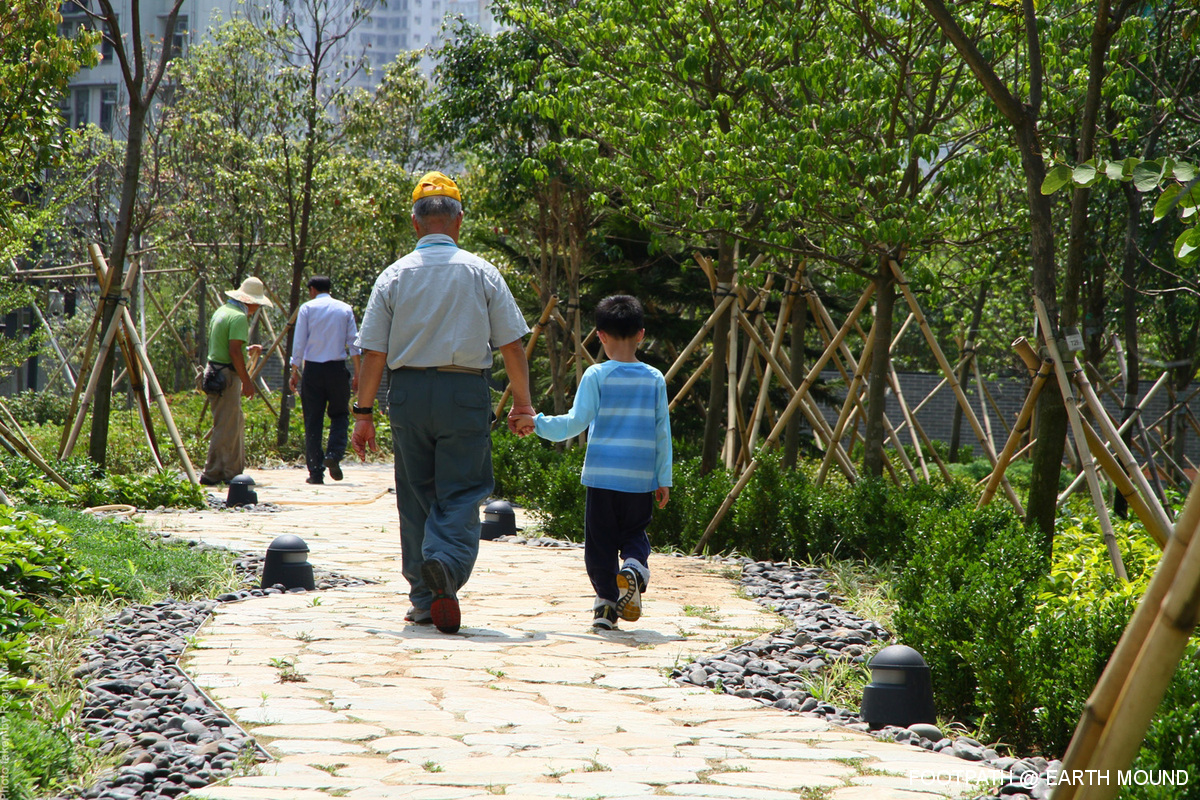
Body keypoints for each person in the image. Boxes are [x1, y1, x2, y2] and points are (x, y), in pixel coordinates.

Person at [351, 171, 534, 634]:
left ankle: (421, 600)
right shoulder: (482, 271)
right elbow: (512, 345)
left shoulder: (392, 276)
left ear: (415, 224)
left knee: (415, 497)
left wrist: (363, 413)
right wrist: (522, 406)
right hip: (464, 392)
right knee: (463, 491)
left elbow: (374, 352)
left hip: (408, 394)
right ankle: (446, 567)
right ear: (459, 221)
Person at [512, 295, 672, 630]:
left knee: (599, 545)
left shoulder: (597, 375)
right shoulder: (655, 378)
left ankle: (605, 608)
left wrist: (536, 422)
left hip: (601, 478)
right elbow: (662, 433)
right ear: (641, 334)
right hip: (639, 479)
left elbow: (575, 423)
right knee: (634, 533)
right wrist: (663, 477)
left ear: (600, 335)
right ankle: (633, 567)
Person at [200, 276, 273, 486]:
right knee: (226, 426)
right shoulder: (239, 318)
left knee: (232, 422)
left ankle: (231, 470)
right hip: (226, 376)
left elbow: (227, 347)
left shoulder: (222, 312)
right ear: (249, 301)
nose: (256, 308)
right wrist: (247, 382)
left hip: (214, 371)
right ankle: (215, 473)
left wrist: (248, 350)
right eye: (256, 304)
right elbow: (233, 352)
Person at [289, 276, 362, 485]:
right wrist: (358, 373)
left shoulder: (307, 309)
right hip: (337, 370)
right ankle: (334, 454)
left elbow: (299, 342)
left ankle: (315, 473)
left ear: (312, 289)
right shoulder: (344, 309)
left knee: (313, 421)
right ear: (329, 289)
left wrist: (294, 371)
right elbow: (354, 343)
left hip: (312, 371)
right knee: (340, 414)